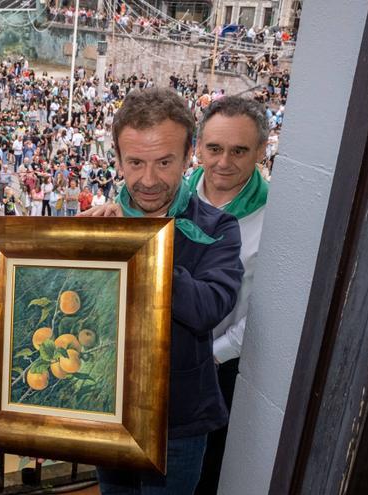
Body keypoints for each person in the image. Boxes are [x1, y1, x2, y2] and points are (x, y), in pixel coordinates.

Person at [79, 88, 244, 494]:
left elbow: (208, 309)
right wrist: (76, 248)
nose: (148, 180)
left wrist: (139, 245)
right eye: (135, 162)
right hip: (110, 410)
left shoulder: (218, 227)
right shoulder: (100, 223)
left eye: (164, 162)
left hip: (180, 420)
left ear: (188, 157)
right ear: (117, 160)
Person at [190, 97, 270, 495]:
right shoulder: (171, 197)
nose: (224, 162)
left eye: (239, 150)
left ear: (261, 150)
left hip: (220, 364)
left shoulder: (275, 217)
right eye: (214, 148)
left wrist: (214, 352)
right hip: (160, 354)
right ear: (199, 146)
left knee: (204, 468)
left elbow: (263, 310)